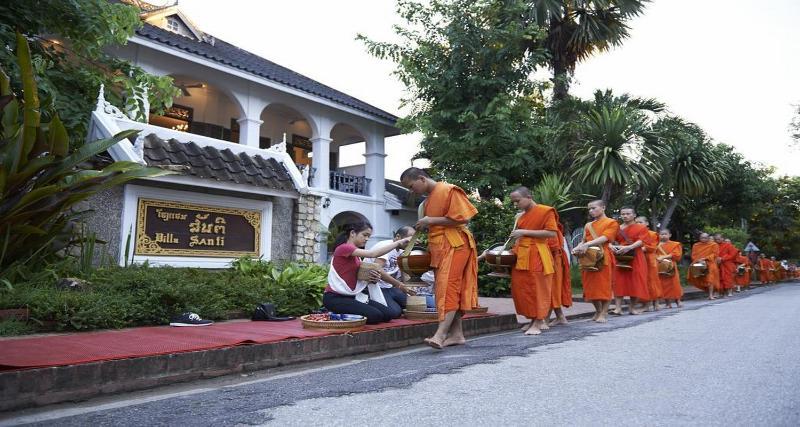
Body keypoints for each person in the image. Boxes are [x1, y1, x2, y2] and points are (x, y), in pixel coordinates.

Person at [400, 167, 479, 349]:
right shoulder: (427, 202)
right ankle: (457, 334)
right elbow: (435, 226)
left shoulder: (448, 190)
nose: (412, 191)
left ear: (422, 178)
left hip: (455, 245)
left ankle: (440, 335)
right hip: (438, 248)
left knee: (447, 289)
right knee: (447, 289)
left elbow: (462, 219)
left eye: (412, 186)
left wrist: (431, 221)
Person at [323, 221, 411, 324]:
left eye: (368, 236)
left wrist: (372, 278)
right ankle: (337, 315)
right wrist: (399, 242)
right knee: (375, 316)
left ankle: (347, 314)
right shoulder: (344, 248)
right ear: (352, 233)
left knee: (388, 314)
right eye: (364, 235)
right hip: (335, 298)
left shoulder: (356, 255)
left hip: (354, 296)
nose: (367, 239)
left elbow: (358, 277)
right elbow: (373, 254)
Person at [504, 187, 558, 336]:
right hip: (521, 255)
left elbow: (551, 233)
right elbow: (519, 238)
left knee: (537, 287)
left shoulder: (546, 211)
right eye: (514, 202)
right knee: (522, 288)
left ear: (529, 196)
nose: (516, 205)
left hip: (538, 254)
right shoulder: (520, 216)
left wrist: (525, 232)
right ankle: (533, 319)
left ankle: (538, 321)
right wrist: (512, 250)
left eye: (518, 201)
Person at [572, 200, 619, 323]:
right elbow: (583, 240)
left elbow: (606, 238)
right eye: (589, 209)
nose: (591, 211)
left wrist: (587, 244)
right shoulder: (588, 225)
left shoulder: (612, 222)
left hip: (603, 256)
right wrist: (577, 247)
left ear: (603, 207)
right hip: (588, 257)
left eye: (593, 208)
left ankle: (603, 313)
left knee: (605, 287)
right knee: (589, 287)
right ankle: (598, 311)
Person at [364, 226, 418, 319]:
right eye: (410, 239)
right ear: (398, 237)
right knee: (395, 313)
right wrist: (399, 285)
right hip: (375, 287)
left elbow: (404, 272)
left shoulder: (403, 251)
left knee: (416, 305)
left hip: (390, 288)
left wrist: (409, 287)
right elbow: (378, 269)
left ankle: (392, 304)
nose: (411, 242)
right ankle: (366, 301)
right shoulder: (385, 246)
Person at [610, 207, 650, 315]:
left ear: (634, 215)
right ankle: (618, 308)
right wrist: (612, 246)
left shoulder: (641, 227)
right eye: (623, 214)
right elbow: (609, 239)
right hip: (621, 257)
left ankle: (632, 308)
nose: (625, 216)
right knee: (619, 282)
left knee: (636, 282)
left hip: (636, 256)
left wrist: (629, 247)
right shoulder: (617, 228)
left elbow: (642, 241)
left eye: (628, 214)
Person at [547, 213, 573, 327]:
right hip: (554, 259)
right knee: (552, 289)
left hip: (554, 260)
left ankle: (544, 319)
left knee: (551, 289)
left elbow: (552, 246)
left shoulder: (552, 229)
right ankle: (560, 316)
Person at [636, 216, 662, 312]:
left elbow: (653, 247)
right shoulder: (635, 234)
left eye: (640, 222)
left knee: (652, 281)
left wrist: (639, 249)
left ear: (647, 223)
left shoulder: (652, 234)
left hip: (649, 260)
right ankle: (646, 304)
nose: (638, 224)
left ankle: (656, 302)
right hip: (639, 259)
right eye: (637, 222)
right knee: (642, 281)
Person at [687, 232, 721, 299]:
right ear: (699, 238)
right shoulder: (696, 245)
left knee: (710, 279)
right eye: (702, 238)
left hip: (710, 263)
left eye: (705, 238)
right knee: (701, 278)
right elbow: (693, 255)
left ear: (708, 238)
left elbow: (715, 254)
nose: (703, 239)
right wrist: (698, 260)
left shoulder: (714, 245)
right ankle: (709, 292)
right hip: (699, 263)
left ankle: (710, 295)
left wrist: (705, 258)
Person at [657, 229, 683, 308]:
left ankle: (678, 301)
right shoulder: (656, 245)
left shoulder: (675, 244)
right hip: (661, 266)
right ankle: (668, 303)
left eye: (665, 234)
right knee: (663, 284)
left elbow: (677, 254)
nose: (663, 235)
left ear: (670, 235)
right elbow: (654, 254)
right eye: (661, 234)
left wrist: (664, 257)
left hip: (671, 265)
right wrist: (658, 258)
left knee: (675, 283)